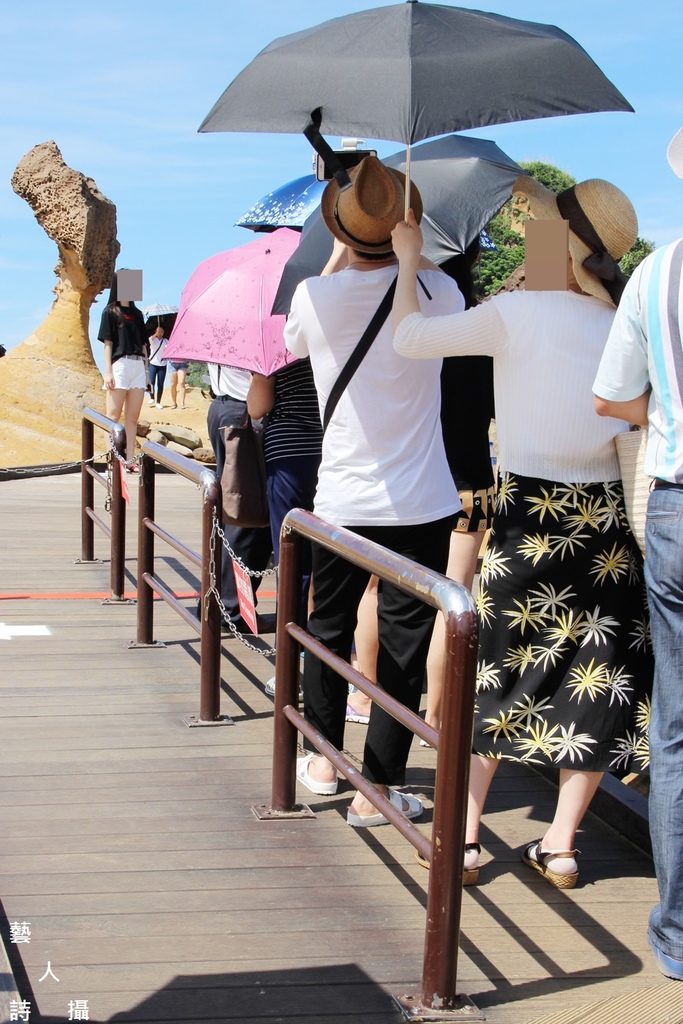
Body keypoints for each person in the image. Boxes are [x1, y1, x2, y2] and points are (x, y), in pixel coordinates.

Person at [391, 174, 653, 886]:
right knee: (594, 686)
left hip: (527, 516)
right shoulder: (620, 319)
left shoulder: (515, 313)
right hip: (605, 523)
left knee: (497, 676)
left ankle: (468, 839)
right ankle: (561, 846)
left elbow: (410, 339)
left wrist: (408, 259)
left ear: (553, 243)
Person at [284, 155, 462, 827]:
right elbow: (427, 295)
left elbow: (292, 342)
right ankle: (377, 788)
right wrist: (409, 252)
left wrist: (337, 255)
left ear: (340, 228)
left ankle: (324, 759)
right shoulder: (441, 294)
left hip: (340, 501)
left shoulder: (314, 297)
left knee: (326, 630)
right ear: (404, 224)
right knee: (402, 644)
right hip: (422, 500)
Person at [593, 126, 683, 978]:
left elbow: (610, 398)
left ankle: (679, 932)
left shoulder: (654, 276)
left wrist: (661, 412)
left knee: (678, 727)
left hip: (676, 507)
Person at [206, 362, 273, 633]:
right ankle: (234, 611)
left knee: (232, 512)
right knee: (246, 518)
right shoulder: (255, 322)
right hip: (242, 413)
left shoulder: (221, 320)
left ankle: (221, 603)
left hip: (221, 408)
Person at [98, 271, 149, 465]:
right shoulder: (110, 311)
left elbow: (144, 344)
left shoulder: (138, 314)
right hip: (119, 364)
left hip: (138, 365)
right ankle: (113, 460)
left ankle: (129, 460)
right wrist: (108, 372)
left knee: (132, 418)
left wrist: (147, 372)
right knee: (112, 417)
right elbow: (107, 344)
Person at [147, 326, 168, 409]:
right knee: (151, 381)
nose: (160, 333)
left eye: (161, 332)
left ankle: (158, 402)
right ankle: (152, 397)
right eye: (159, 331)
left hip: (162, 364)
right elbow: (150, 340)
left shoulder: (166, 341)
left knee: (160, 383)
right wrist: (156, 334)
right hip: (153, 363)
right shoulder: (153, 340)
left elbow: (167, 348)